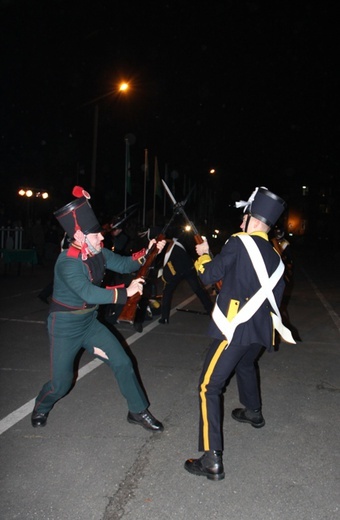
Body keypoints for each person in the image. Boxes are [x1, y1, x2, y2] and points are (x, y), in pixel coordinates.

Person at [31, 186, 166, 433]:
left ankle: (137, 410)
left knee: (123, 363)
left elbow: (126, 264)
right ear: (81, 237)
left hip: (89, 323)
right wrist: (126, 293)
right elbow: (88, 293)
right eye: (97, 236)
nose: (103, 239)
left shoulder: (98, 252)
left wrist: (148, 251)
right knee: (61, 385)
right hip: (64, 326)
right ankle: (41, 405)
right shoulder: (67, 262)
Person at [184, 187, 296, 481]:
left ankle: (211, 459)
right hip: (261, 331)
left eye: (243, 217)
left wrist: (204, 255)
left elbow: (209, 276)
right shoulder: (275, 253)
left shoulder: (238, 242)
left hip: (236, 328)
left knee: (208, 387)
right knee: (246, 364)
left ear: (251, 219)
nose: (241, 222)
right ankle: (253, 412)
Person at [158, 235, 213, 324]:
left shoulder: (165, 245)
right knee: (199, 290)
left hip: (176, 271)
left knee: (167, 292)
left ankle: (164, 317)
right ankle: (211, 312)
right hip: (188, 268)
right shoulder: (179, 241)